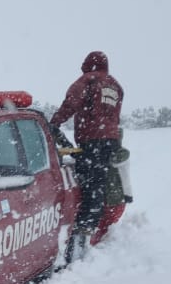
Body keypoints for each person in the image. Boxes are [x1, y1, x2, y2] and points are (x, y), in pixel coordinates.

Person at [50, 51, 124, 247]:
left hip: (92, 139)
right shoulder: (115, 85)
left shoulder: (88, 80)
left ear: (88, 64)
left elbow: (71, 102)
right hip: (111, 140)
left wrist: (54, 123)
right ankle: (92, 223)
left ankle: (83, 228)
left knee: (89, 182)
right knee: (99, 182)